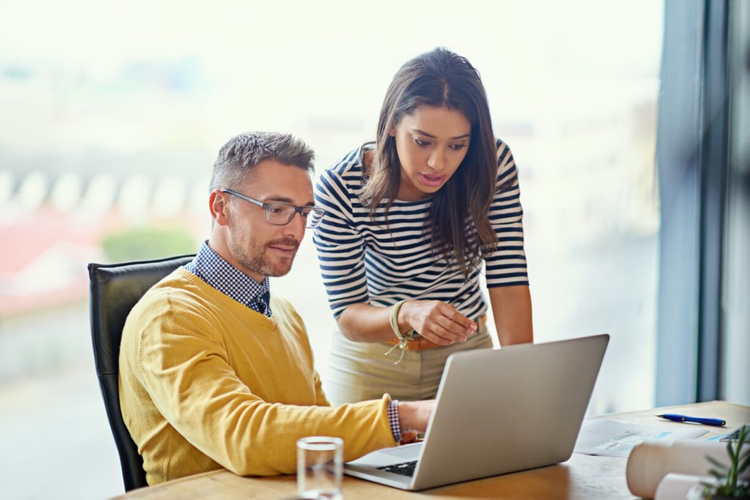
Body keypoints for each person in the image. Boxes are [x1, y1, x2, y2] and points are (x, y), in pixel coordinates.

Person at [118, 132, 433, 486]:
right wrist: (403, 416)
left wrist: (411, 440)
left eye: (305, 213)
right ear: (220, 207)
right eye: (277, 210)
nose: (296, 231)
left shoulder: (284, 314)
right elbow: (244, 436)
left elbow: (318, 431)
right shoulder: (170, 317)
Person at [313, 47, 534, 405]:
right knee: (359, 462)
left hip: (465, 353)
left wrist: (522, 375)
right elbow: (348, 314)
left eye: (457, 145)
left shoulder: (492, 165)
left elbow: (508, 277)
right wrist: (408, 312)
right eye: (422, 141)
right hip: (372, 358)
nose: (437, 162)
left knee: (487, 458)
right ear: (390, 125)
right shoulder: (341, 187)